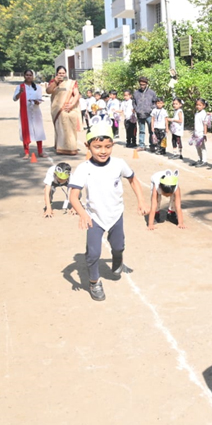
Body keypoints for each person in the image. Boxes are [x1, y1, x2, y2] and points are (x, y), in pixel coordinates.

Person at [68, 121, 148, 301]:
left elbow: (133, 180)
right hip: (94, 216)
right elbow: (73, 196)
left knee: (119, 246)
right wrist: (82, 213)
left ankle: (117, 260)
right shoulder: (84, 169)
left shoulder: (119, 164)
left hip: (115, 214)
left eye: (107, 146)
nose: (103, 151)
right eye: (97, 147)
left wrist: (141, 201)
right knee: (93, 253)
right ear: (87, 146)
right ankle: (94, 282)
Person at [46, 66, 81, 156]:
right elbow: (48, 91)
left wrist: (71, 105)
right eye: (60, 73)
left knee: (69, 129)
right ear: (57, 74)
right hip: (57, 109)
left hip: (69, 109)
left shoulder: (71, 83)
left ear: (66, 73)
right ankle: (61, 148)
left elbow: (77, 94)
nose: (61, 75)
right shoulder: (53, 82)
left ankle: (71, 148)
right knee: (60, 129)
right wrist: (55, 83)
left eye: (63, 73)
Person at [13, 70, 47, 159]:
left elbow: (40, 99)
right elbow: (15, 99)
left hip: (35, 111)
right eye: (27, 75)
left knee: (38, 131)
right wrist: (20, 92)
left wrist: (37, 102)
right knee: (25, 130)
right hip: (25, 112)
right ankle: (26, 152)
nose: (28, 77)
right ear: (24, 76)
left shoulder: (37, 87)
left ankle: (40, 151)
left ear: (33, 76)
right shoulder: (20, 87)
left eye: (30, 75)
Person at [132, 76, 157, 150]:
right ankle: (141, 145)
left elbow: (155, 102)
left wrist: (151, 109)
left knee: (151, 130)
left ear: (146, 84)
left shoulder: (152, 93)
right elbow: (133, 102)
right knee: (141, 131)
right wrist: (137, 110)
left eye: (143, 84)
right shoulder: (136, 93)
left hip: (149, 115)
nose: (142, 86)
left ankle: (152, 145)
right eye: (141, 84)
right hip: (140, 115)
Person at [191, 99, 211, 167]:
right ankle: (200, 159)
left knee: (202, 147)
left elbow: (205, 124)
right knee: (197, 146)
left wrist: (204, 134)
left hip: (201, 133)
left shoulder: (203, 114)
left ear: (204, 106)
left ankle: (204, 161)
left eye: (200, 105)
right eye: (197, 105)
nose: (198, 106)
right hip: (196, 133)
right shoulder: (197, 113)